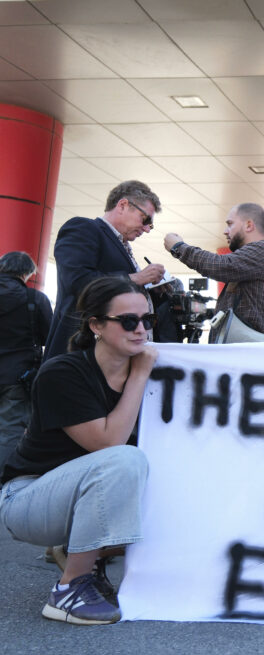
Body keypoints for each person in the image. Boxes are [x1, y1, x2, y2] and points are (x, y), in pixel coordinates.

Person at [0, 276, 156, 625]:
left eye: (147, 319)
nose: (141, 330)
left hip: (81, 495)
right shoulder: (62, 373)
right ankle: (69, 589)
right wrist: (140, 376)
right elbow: (109, 444)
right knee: (125, 460)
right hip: (26, 499)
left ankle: (89, 555)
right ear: (96, 325)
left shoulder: (149, 368)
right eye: (128, 321)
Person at [44, 180, 167, 361]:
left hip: (111, 358)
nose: (147, 229)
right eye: (145, 219)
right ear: (123, 205)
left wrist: (151, 289)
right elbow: (78, 281)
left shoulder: (120, 244)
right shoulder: (83, 228)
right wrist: (136, 278)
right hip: (82, 353)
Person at [163, 203, 264, 342]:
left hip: (254, 358)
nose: (225, 231)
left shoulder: (263, 251)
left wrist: (179, 248)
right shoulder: (260, 258)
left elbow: (221, 266)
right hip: (254, 356)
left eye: (230, 224)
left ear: (249, 225)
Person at [0, 252, 53, 466]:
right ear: (28, 273)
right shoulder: (35, 298)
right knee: (9, 430)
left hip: (15, 373)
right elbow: (47, 335)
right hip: (18, 375)